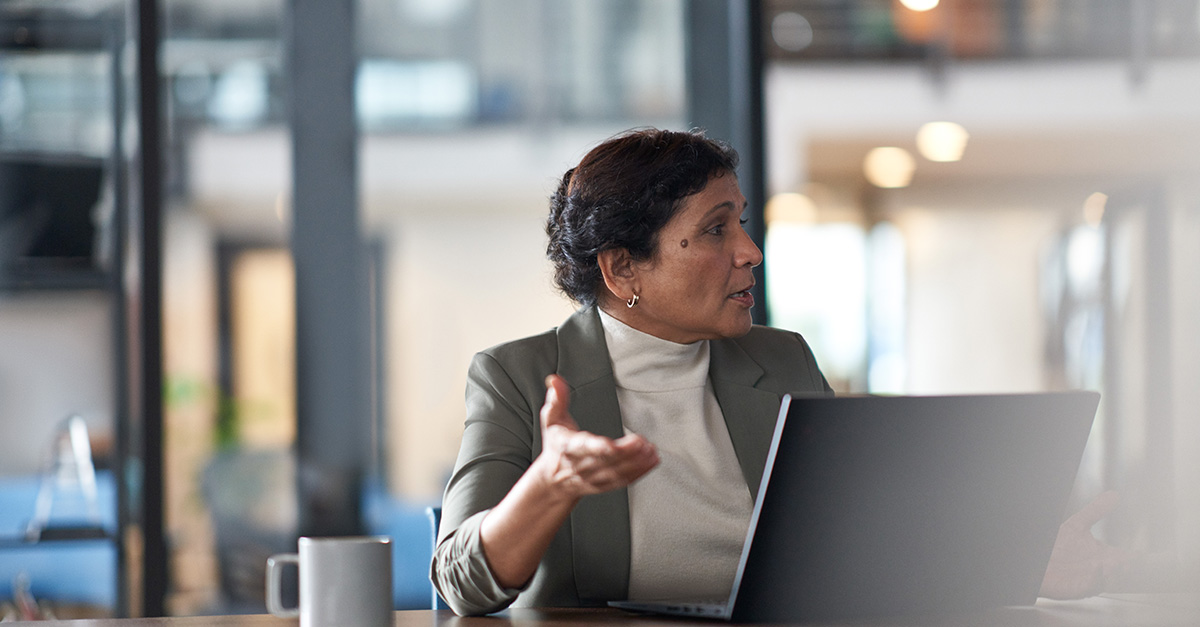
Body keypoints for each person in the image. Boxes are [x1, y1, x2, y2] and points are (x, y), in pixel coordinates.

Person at [430, 127, 1127, 616]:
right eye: (715, 229)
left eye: (740, 222)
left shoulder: (781, 356)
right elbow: (463, 580)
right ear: (621, 269)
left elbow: (863, 539)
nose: (750, 251)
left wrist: (1017, 557)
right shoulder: (519, 375)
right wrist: (548, 484)